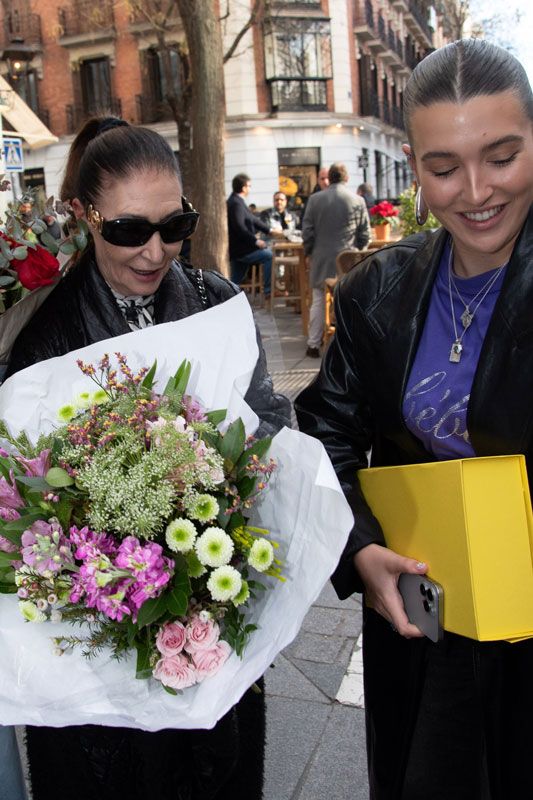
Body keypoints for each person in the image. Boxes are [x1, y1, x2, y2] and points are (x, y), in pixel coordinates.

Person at [6, 117, 290, 800]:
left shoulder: (217, 302)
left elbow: (270, 417)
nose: (154, 250)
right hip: (95, 645)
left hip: (210, 619)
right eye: (129, 230)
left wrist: (248, 486)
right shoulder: (45, 335)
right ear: (82, 215)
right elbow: (23, 494)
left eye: (175, 226)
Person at [295, 38, 533, 799]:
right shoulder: (379, 290)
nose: (474, 191)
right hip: (423, 618)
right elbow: (320, 432)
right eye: (442, 168)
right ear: (411, 164)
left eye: (501, 156)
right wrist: (360, 550)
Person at [302, 162, 370, 358]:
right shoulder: (357, 200)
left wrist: (309, 252)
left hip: (321, 259)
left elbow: (307, 231)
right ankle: (350, 344)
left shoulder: (315, 200)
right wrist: (358, 252)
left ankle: (313, 344)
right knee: (350, 300)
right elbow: (364, 234)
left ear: (328, 178)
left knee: (318, 301)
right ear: (346, 178)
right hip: (347, 262)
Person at [227, 173, 275, 299]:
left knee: (235, 281)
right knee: (269, 256)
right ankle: (268, 291)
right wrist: (256, 241)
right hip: (242, 249)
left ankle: (227, 299)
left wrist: (269, 230)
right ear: (243, 188)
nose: (250, 188)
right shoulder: (236, 203)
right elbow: (240, 227)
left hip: (240, 248)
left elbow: (253, 220)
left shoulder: (237, 201)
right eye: (249, 186)